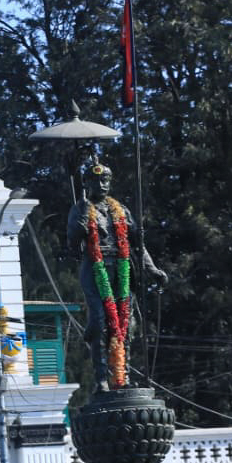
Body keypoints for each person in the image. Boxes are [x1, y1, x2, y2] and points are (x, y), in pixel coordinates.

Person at [66, 160, 167, 392]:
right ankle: (102, 378)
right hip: (94, 267)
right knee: (100, 321)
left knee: (124, 322)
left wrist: (152, 270)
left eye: (105, 180)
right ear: (86, 183)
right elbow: (72, 247)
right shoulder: (81, 207)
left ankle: (123, 375)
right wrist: (78, 227)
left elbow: (137, 245)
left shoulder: (120, 210)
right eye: (95, 180)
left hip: (121, 267)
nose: (101, 185)